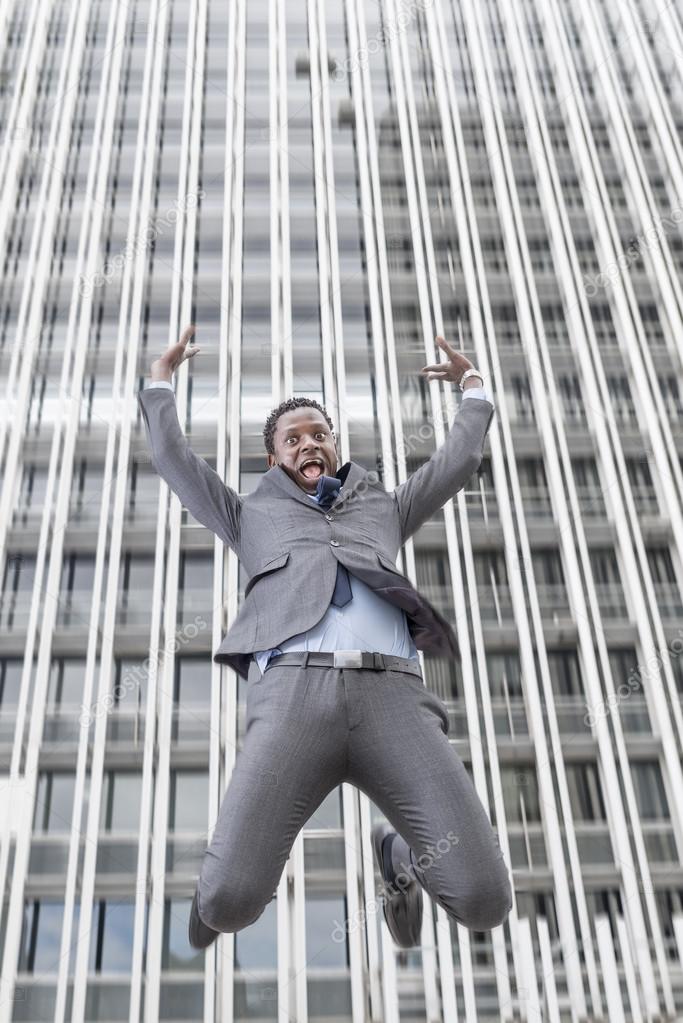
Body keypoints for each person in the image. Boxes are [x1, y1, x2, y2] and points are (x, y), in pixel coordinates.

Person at [138, 324, 512, 951]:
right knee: (228, 902)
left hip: (394, 700)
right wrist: (160, 381)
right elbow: (175, 460)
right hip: (292, 698)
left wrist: (472, 385)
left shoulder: (386, 506)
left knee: (484, 900)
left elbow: (458, 461)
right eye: (294, 438)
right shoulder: (245, 514)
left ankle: (398, 856)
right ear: (275, 457)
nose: (308, 442)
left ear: (333, 447)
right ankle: (215, 896)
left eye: (319, 433)